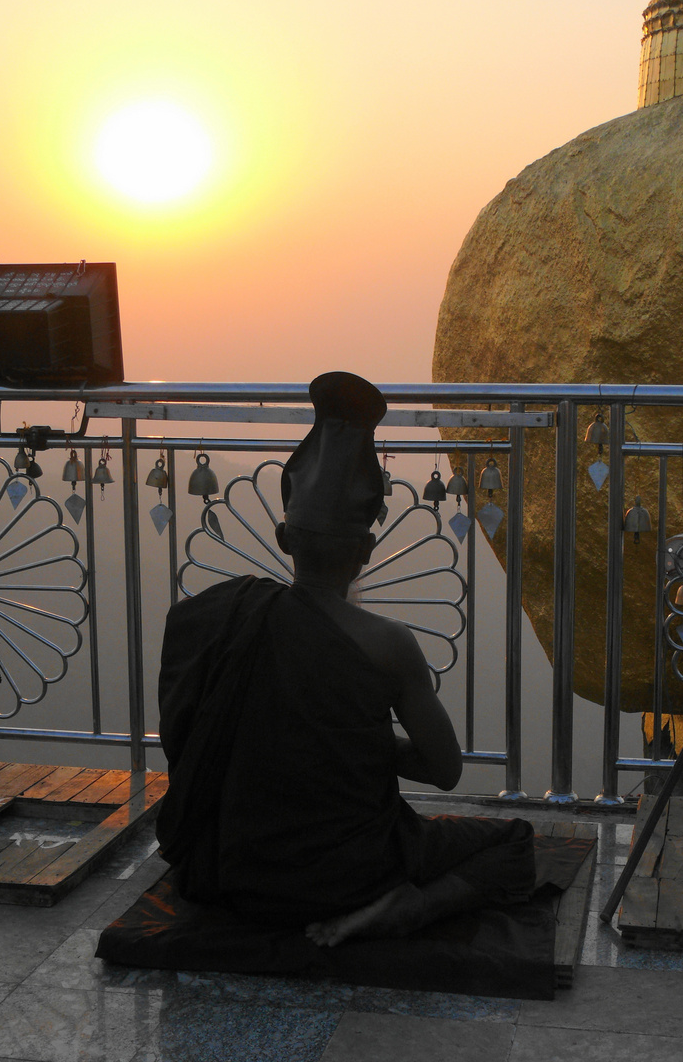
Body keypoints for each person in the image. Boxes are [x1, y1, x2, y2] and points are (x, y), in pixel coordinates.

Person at [155, 371, 536, 947]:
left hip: (228, 871)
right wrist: (362, 747)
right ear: (367, 550)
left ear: (284, 539)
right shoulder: (388, 644)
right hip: (348, 878)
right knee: (515, 844)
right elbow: (446, 771)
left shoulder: (218, 617)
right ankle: (410, 908)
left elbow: (185, 735)